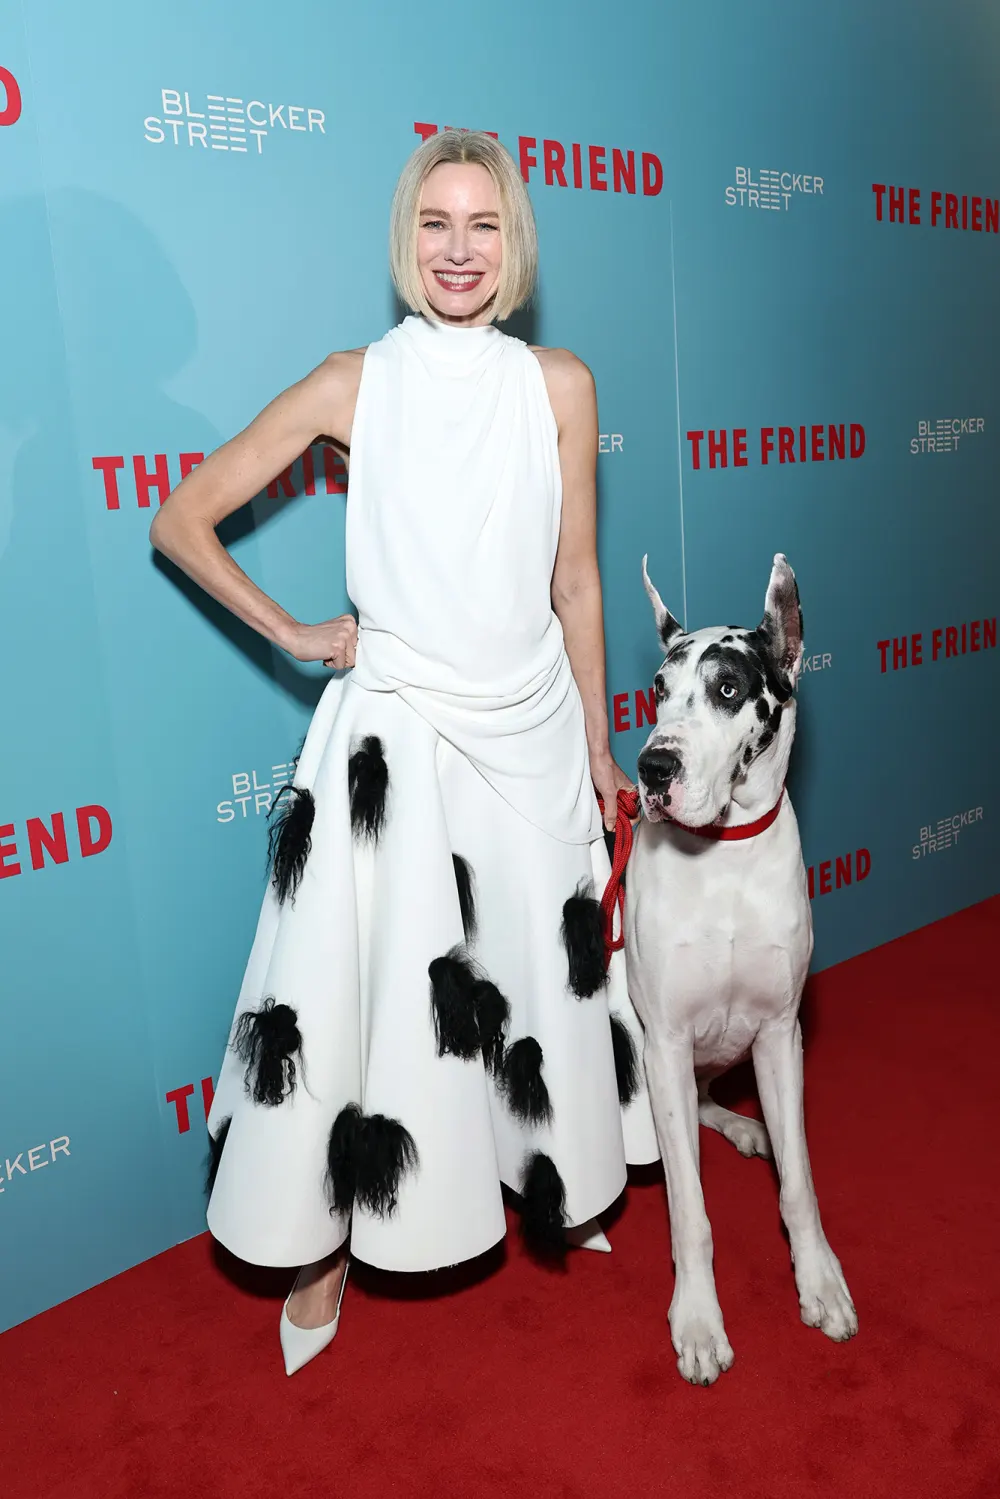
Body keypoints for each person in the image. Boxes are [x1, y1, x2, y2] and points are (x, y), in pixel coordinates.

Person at [150, 130, 658, 1376]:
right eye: (435, 223)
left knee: (533, 981)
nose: (459, 250)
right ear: (404, 239)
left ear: (515, 243)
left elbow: (578, 578)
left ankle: (550, 1173)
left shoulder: (560, 383)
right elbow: (181, 519)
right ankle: (326, 1245)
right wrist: (293, 629)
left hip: (532, 723)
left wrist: (594, 740)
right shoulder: (352, 382)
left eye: (483, 225)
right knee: (369, 995)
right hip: (398, 727)